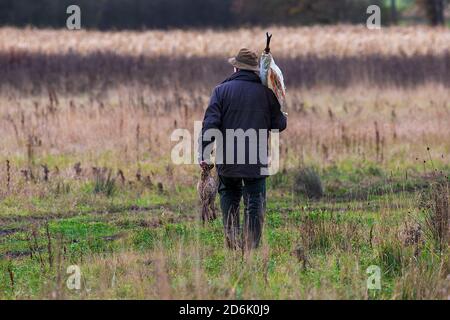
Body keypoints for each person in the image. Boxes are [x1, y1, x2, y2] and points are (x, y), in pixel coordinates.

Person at [199, 48, 287, 250]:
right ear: (256, 70)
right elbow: (279, 125)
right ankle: (251, 247)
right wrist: (282, 112)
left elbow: (210, 124)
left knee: (229, 196)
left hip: (227, 159)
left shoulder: (220, 91)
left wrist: (204, 153)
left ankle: (232, 243)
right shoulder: (267, 92)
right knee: (255, 200)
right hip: (256, 159)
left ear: (235, 67)